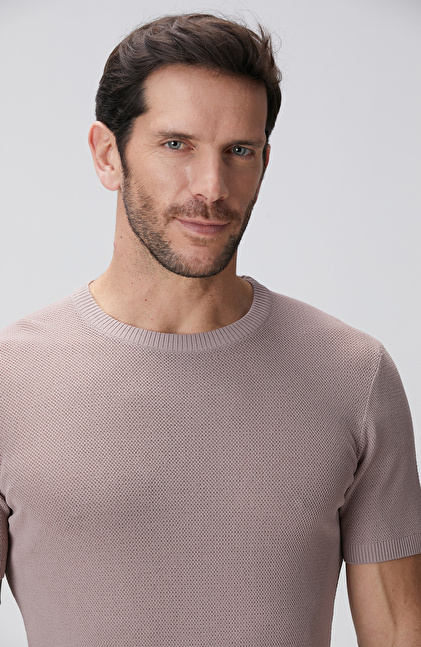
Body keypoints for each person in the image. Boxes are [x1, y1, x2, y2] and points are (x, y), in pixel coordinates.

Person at [1, 12, 420, 647]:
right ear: (108, 155)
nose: (212, 187)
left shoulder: (352, 375)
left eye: (239, 151)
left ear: (265, 163)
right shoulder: (11, 381)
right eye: (177, 145)